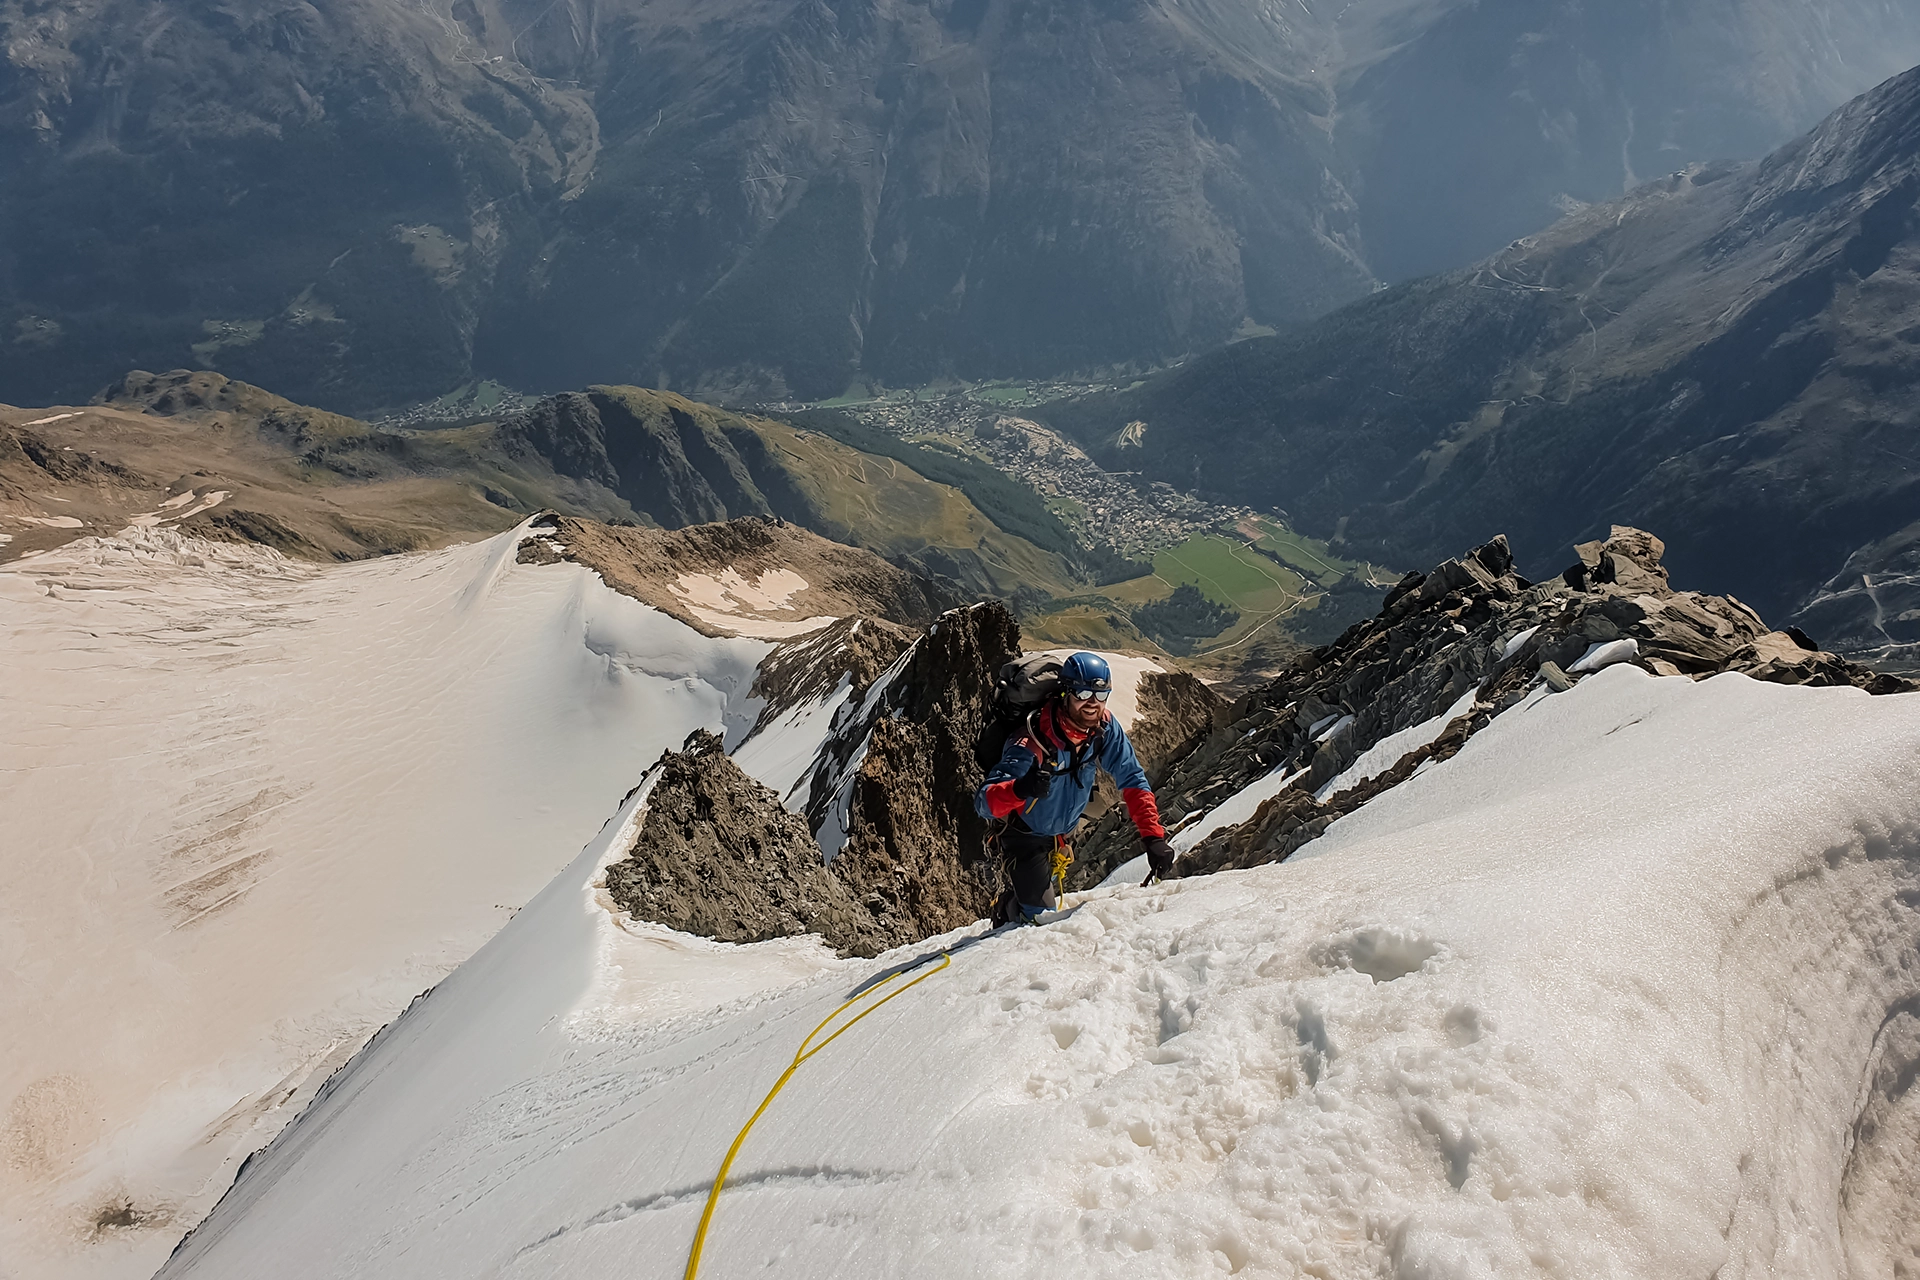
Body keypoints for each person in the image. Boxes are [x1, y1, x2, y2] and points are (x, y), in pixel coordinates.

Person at [974, 651, 1176, 924]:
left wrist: (1153, 838)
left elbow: (1132, 779)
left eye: (1101, 696)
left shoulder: (1103, 729)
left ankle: (1023, 895)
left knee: (1043, 907)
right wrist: (1020, 789)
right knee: (1039, 920)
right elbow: (984, 802)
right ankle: (1009, 907)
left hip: (1061, 830)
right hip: (1024, 834)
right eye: (1083, 695)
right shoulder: (1032, 740)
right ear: (1065, 694)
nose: (1093, 704)